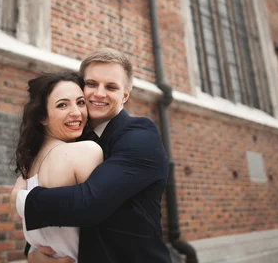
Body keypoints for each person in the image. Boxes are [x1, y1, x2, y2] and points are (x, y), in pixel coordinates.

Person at [11, 48, 172, 263]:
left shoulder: (140, 136)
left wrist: (22, 199)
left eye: (111, 87)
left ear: (125, 96)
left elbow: (89, 204)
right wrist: (33, 254)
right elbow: (59, 218)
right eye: (92, 84)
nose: (99, 93)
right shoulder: (71, 137)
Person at [11, 71, 103, 261]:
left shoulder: (27, 171)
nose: (77, 113)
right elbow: (111, 230)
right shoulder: (85, 151)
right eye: (62, 105)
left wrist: (33, 256)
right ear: (42, 117)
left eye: (80, 102)